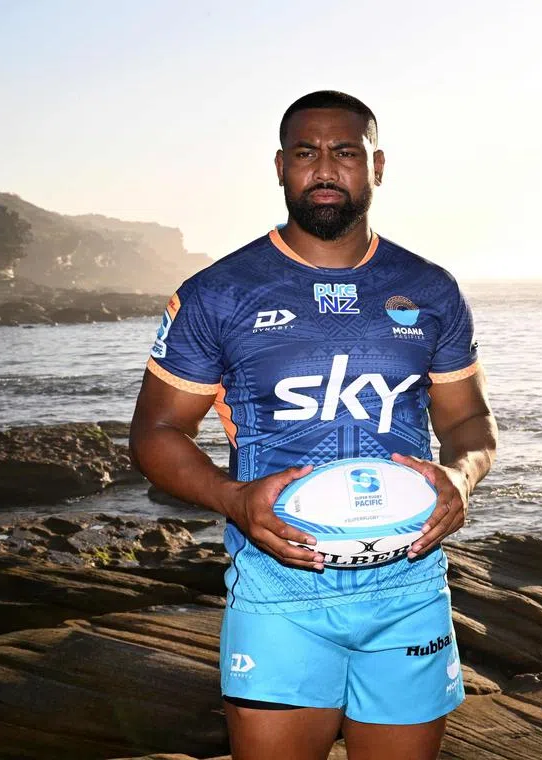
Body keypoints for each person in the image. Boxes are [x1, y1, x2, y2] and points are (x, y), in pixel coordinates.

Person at [130, 90, 496, 760]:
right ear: (280, 167)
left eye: (345, 152)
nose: (325, 168)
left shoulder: (432, 290)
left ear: (376, 165)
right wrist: (231, 498)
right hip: (279, 589)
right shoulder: (220, 293)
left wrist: (460, 477)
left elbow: (470, 420)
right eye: (306, 153)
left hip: (408, 585)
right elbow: (155, 431)